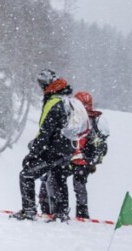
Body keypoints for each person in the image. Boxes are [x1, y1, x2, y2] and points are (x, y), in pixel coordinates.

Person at [12, 69, 75, 221]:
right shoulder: (66, 100)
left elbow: (44, 133)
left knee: (26, 175)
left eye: (42, 84)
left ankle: (29, 211)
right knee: (58, 177)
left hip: (54, 149)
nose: (41, 88)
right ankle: (61, 214)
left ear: (47, 84)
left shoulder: (53, 102)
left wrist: (32, 153)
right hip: (68, 148)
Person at [37, 90, 108, 220]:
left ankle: (74, 212)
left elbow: (98, 145)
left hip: (80, 160)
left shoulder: (92, 122)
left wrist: (88, 158)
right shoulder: (71, 117)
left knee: (75, 183)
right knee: (53, 178)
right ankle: (53, 209)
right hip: (67, 157)